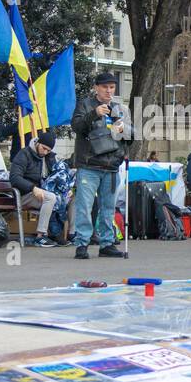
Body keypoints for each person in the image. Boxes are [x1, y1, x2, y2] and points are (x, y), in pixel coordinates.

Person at [69, 72, 129, 259]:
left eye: (112, 87)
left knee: (108, 208)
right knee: (84, 206)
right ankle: (82, 243)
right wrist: (94, 114)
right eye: (105, 87)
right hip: (89, 164)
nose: (109, 91)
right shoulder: (85, 104)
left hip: (111, 166)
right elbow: (76, 127)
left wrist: (124, 130)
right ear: (96, 87)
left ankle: (107, 243)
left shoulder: (119, 108)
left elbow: (130, 138)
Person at [10, 129, 61, 247]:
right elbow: (14, 178)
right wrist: (33, 188)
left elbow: (56, 173)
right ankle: (41, 236)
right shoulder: (24, 154)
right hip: (23, 194)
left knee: (70, 199)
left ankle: (70, 234)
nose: (45, 152)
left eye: (49, 150)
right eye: (44, 148)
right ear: (37, 143)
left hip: (40, 192)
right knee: (50, 197)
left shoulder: (49, 157)